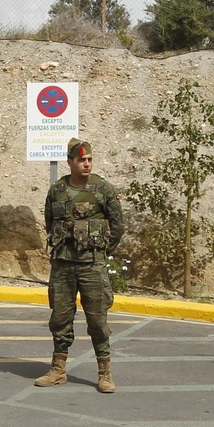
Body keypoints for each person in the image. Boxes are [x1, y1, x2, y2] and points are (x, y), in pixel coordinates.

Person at [37, 137, 126, 392]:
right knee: (60, 318)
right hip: (63, 265)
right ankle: (58, 369)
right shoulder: (57, 190)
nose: (86, 164)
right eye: (81, 160)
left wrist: (101, 252)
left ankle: (104, 371)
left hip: (92, 266)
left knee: (97, 319)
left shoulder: (103, 189)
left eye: (89, 160)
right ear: (70, 162)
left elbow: (118, 226)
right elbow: (49, 222)